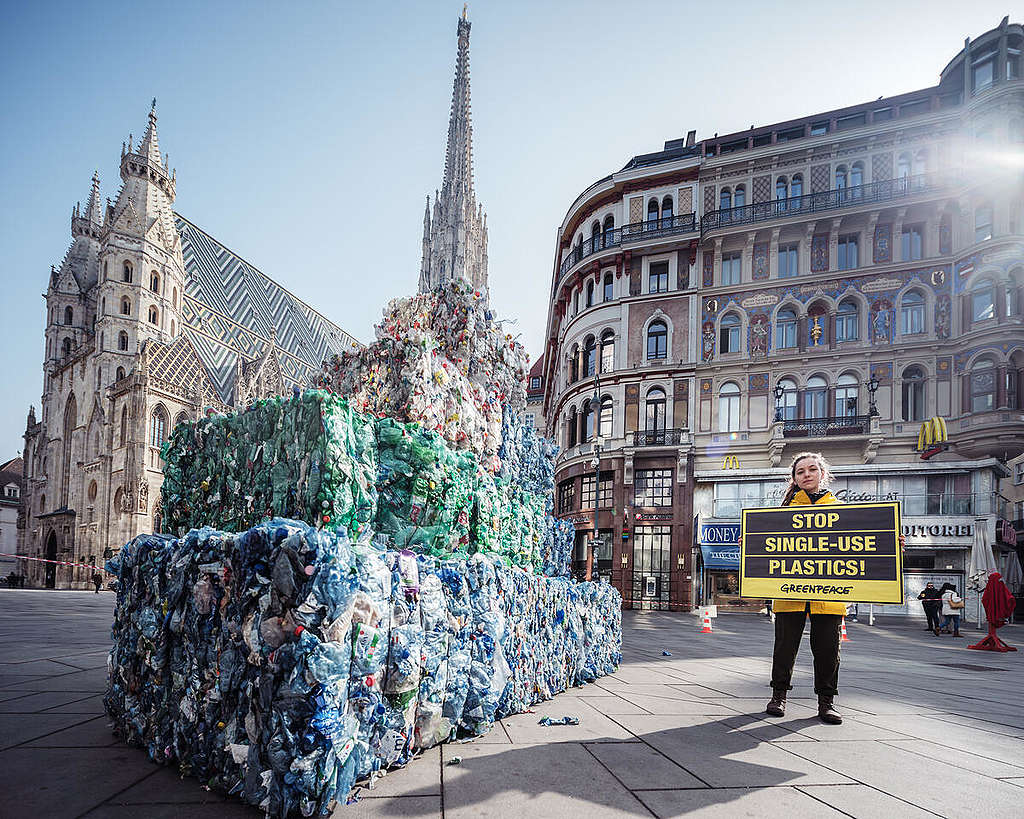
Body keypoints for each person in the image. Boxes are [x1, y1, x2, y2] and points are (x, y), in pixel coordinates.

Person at [765, 452, 845, 725]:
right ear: (795, 479)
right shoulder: (783, 513)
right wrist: (749, 544)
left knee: (828, 649)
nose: (807, 474)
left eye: (812, 469)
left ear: (822, 474)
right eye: (801, 472)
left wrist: (893, 545)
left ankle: (827, 702)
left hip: (829, 594)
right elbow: (766, 547)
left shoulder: (842, 511)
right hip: (790, 592)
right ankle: (778, 696)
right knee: (784, 648)